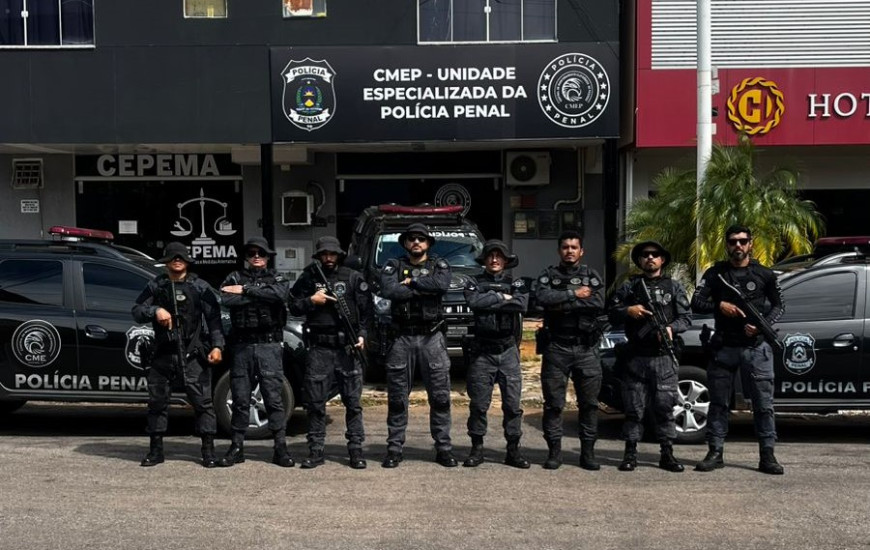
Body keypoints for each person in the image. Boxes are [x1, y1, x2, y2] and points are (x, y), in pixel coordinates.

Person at [691, 225, 785, 475]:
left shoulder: (765, 274)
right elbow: (696, 302)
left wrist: (762, 326)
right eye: (733, 241)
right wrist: (719, 305)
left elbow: (779, 306)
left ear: (751, 244)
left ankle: (767, 455)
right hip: (724, 347)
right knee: (719, 403)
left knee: (763, 405)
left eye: (743, 241)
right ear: (727, 245)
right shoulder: (716, 274)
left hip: (756, 347)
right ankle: (715, 452)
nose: (738, 246)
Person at [132, 242, 225, 468]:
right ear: (166, 262)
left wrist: (217, 346)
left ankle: (208, 451)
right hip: (163, 353)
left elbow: (214, 320)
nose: (177, 261)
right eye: (172, 258)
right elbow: (137, 311)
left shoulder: (199, 286)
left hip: (193, 354)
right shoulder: (157, 285)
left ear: (187, 261)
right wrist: (155, 310)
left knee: (203, 403)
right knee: (157, 403)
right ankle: (156, 451)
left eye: (180, 257)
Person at [608, 241, 691, 472]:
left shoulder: (674, 287)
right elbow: (612, 312)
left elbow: (686, 318)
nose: (650, 258)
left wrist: (671, 328)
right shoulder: (630, 287)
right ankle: (630, 453)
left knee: (665, 406)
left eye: (655, 255)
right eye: (645, 255)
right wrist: (628, 310)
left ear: (662, 260)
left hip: (663, 357)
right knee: (634, 409)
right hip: (636, 357)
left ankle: (667, 453)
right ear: (639, 260)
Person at [378, 223, 456, 468]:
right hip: (401, 338)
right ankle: (394, 448)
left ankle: (443, 448)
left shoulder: (439, 265)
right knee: (397, 397)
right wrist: (422, 287)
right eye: (412, 238)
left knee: (440, 397)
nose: (416, 242)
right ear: (405, 243)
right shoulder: (393, 265)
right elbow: (388, 290)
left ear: (428, 243)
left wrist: (410, 283)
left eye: (421, 239)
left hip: (432, 337)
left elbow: (441, 286)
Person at [289, 236, 371, 469]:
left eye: (332, 254)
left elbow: (367, 312)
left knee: (353, 403)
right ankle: (316, 450)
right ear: (319, 256)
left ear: (339, 255)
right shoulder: (309, 277)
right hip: (319, 348)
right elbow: (293, 305)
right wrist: (311, 301)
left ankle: (355, 450)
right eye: (324, 254)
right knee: (315, 403)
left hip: (347, 348)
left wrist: (362, 335)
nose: (328, 258)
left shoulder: (352, 277)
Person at [218, 237, 294, 468]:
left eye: (261, 253)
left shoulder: (277, 278)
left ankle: (280, 448)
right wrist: (259, 294)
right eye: (252, 253)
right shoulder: (234, 277)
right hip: (242, 347)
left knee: (273, 398)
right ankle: (236, 447)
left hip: (269, 346)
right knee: (240, 398)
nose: (256, 256)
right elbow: (225, 297)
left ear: (268, 256)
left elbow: (279, 295)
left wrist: (245, 291)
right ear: (246, 257)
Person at [534, 230, 605, 470]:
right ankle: (554, 453)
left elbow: (597, 302)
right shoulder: (548, 275)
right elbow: (541, 298)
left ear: (581, 251)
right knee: (554, 404)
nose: (569, 251)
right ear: (559, 250)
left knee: (589, 405)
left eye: (574, 247)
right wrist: (574, 294)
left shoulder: (590, 275)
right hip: (556, 347)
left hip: (586, 348)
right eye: (565, 247)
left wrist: (560, 303)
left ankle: (588, 454)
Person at [462, 240, 530, 469]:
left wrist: (490, 300)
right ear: (484, 259)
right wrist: (501, 298)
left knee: (512, 405)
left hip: (508, 351)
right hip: (482, 352)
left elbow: (521, 305)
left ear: (506, 260)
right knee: (479, 404)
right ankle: (477, 449)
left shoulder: (516, 283)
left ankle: (513, 450)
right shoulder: (474, 282)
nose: (494, 259)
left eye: (499, 256)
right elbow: (473, 302)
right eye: (490, 255)